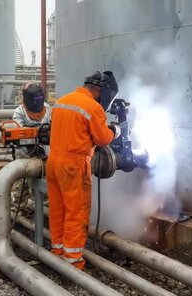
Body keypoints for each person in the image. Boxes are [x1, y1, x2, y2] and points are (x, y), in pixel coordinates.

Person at [47, 71, 121, 270]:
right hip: (74, 165)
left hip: (53, 162)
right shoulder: (92, 107)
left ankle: (58, 252)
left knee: (58, 210)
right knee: (76, 212)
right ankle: (72, 264)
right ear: (99, 90)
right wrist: (116, 130)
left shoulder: (62, 101)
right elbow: (103, 139)